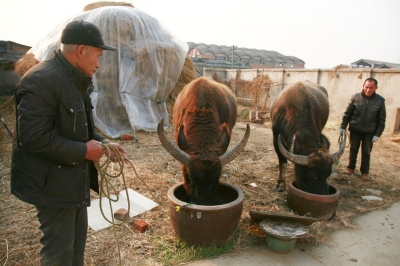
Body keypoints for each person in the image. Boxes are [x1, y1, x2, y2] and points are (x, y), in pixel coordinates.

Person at [11, 20, 126, 265]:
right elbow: (33, 137)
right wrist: (84, 151)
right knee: (59, 254)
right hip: (52, 185)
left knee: (74, 252)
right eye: (97, 56)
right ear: (82, 51)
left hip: (71, 181)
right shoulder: (41, 80)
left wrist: (104, 144)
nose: (98, 63)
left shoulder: (75, 79)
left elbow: (78, 130)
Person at [339, 77, 386, 181]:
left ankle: (364, 172)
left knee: (366, 152)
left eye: (371, 88)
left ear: (376, 88)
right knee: (353, 149)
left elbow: (381, 120)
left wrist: (378, 134)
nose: (368, 90)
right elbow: (347, 114)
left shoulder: (380, 101)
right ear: (363, 86)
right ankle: (350, 168)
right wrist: (343, 127)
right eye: (366, 87)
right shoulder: (355, 97)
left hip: (369, 132)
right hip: (355, 130)